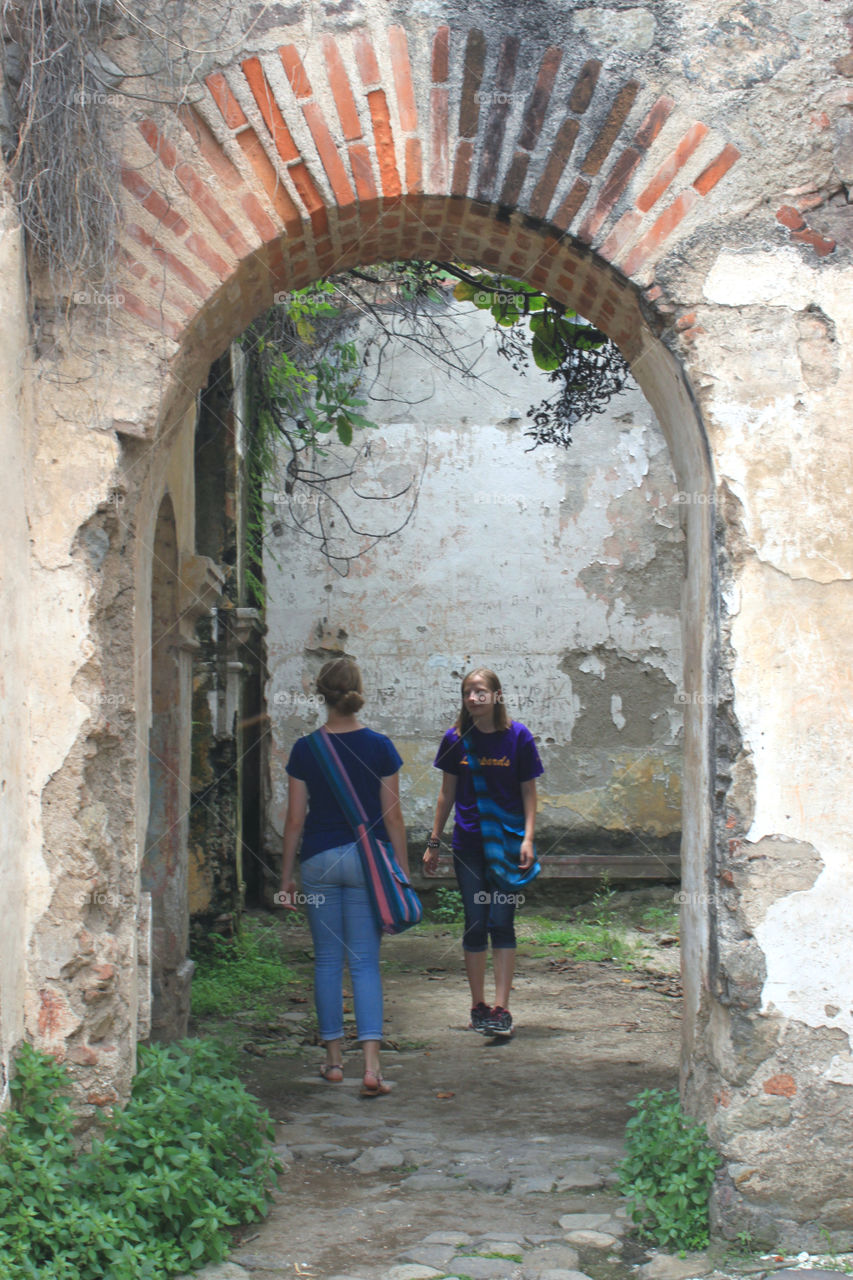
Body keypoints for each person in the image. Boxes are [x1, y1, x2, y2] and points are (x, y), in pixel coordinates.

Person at [278, 657, 408, 1096]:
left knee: (328, 962)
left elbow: (294, 820)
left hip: (318, 861)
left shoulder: (304, 749)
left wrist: (284, 878)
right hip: (368, 863)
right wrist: (401, 873)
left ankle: (334, 1062)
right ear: (357, 690)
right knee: (366, 963)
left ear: (320, 692)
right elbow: (393, 819)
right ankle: (372, 1068)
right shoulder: (380, 747)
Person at [423, 668, 543, 1038]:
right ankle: (478, 1006)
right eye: (467, 693)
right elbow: (447, 794)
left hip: (507, 845)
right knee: (476, 921)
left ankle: (502, 1008)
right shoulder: (455, 739)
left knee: (501, 922)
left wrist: (528, 839)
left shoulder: (518, 737)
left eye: (479, 692)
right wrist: (433, 842)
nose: (473, 699)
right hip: (469, 845)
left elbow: (528, 792)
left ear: (496, 695)